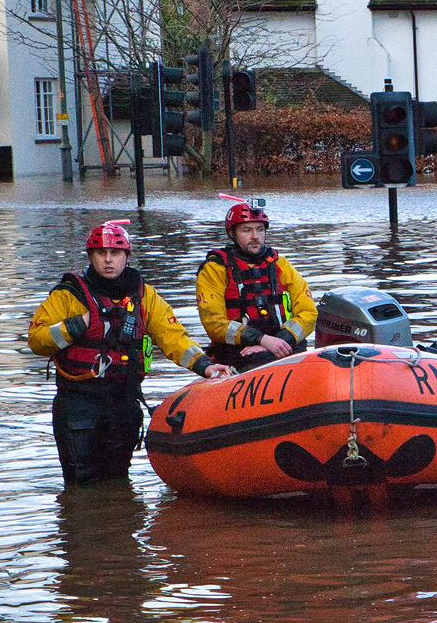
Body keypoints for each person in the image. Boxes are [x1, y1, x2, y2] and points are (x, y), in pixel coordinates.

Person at [28, 221, 233, 486]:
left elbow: (173, 337)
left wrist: (206, 366)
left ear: (127, 256)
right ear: (91, 257)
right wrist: (73, 327)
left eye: (115, 253)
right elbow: (36, 340)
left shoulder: (144, 295)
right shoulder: (69, 295)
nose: (108, 260)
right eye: (101, 253)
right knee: (80, 484)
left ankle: (120, 522)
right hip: (79, 402)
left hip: (123, 400)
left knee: (118, 481)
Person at [196, 198, 317, 368]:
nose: (255, 237)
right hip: (238, 353)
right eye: (247, 230)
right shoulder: (215, 269)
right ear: (232, 233)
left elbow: (308, 313)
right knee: (258, 361)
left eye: (260, 230)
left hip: (285, 345)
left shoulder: (280, 265)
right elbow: (213, 322)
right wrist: (261, 339)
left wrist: (279, 342)